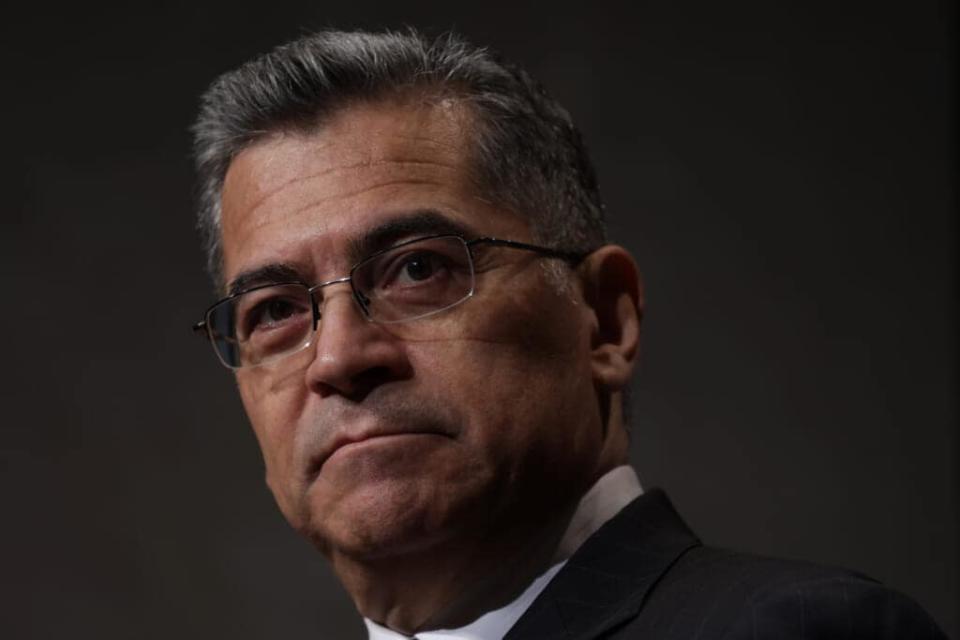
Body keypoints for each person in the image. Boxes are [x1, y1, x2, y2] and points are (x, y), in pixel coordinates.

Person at [190, 28, 947, 639]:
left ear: (605, 320)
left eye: (418, 269)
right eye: (276, 312)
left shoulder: (802, 631)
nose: (340, 357)